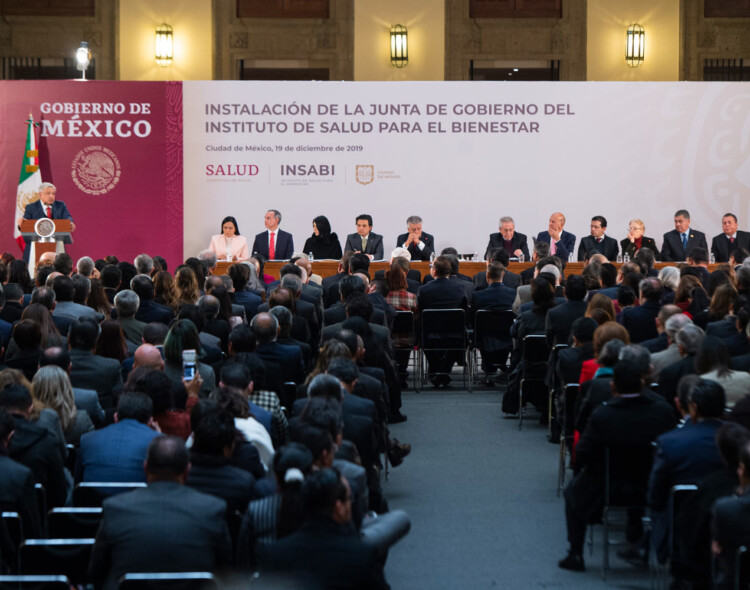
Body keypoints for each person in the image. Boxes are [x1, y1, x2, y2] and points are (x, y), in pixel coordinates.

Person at [89, 436, 232, 590]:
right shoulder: (212, 509)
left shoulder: (116, 509)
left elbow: (95, 574)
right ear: (187, 471)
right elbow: (228, 573)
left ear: (145, 468)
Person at [258, 467, 390, 590]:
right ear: (339, 507)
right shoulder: (362, 556)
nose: (351, 505)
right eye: (349, 499)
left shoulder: (273, 554)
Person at [17, 182, 76, 263]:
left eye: (53, 193)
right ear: (40, 194)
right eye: (48, 193)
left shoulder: (60, 205)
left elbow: (67, 217)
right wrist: (21, 223)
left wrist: (70, 223)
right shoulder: (31, 208)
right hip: (34, 247)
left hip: (57, 245)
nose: (51, 196)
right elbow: (25, 224)